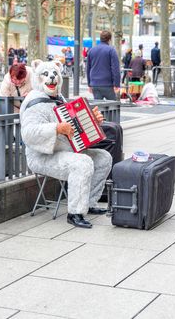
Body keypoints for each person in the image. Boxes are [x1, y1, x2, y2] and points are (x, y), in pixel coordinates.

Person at [20, 59, 112, 228]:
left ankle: (89, 203)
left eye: (55, 74)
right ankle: (75, 213)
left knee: (103, 157)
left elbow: (73, 128)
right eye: (46, 75)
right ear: (37, 78)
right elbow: (28, 134)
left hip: (65, 150)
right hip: (42, 156)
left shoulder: (59, 98)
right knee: (82, 163)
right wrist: (56, 128)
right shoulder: (34, 103)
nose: (52, 78)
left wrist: (94, 121)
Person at [87, 30, 120, 100]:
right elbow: (115, 69)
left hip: (95, 83)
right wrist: (116, 84)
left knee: (98, 107)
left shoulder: (92, 50)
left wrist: (89, 84)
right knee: (112, 107)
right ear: (109, 39)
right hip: (108, 84)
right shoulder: (111, 50)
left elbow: (88, 68)